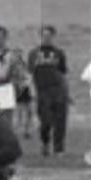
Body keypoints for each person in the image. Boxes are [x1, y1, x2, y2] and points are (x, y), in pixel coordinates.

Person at [28, 27, 70, 157]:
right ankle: (45, 142)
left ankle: (58, 149)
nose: (46, 38)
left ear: (53, 37)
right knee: (45, 121)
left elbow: (63, 73)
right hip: (42, 91)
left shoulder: (59, 53)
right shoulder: (33, 54)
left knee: (60, 120)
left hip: (58, 90)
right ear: (40, 37)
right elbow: (29, 73)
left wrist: (66, 92)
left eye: (49, 36)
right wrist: (31, 91)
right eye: (44, 36)